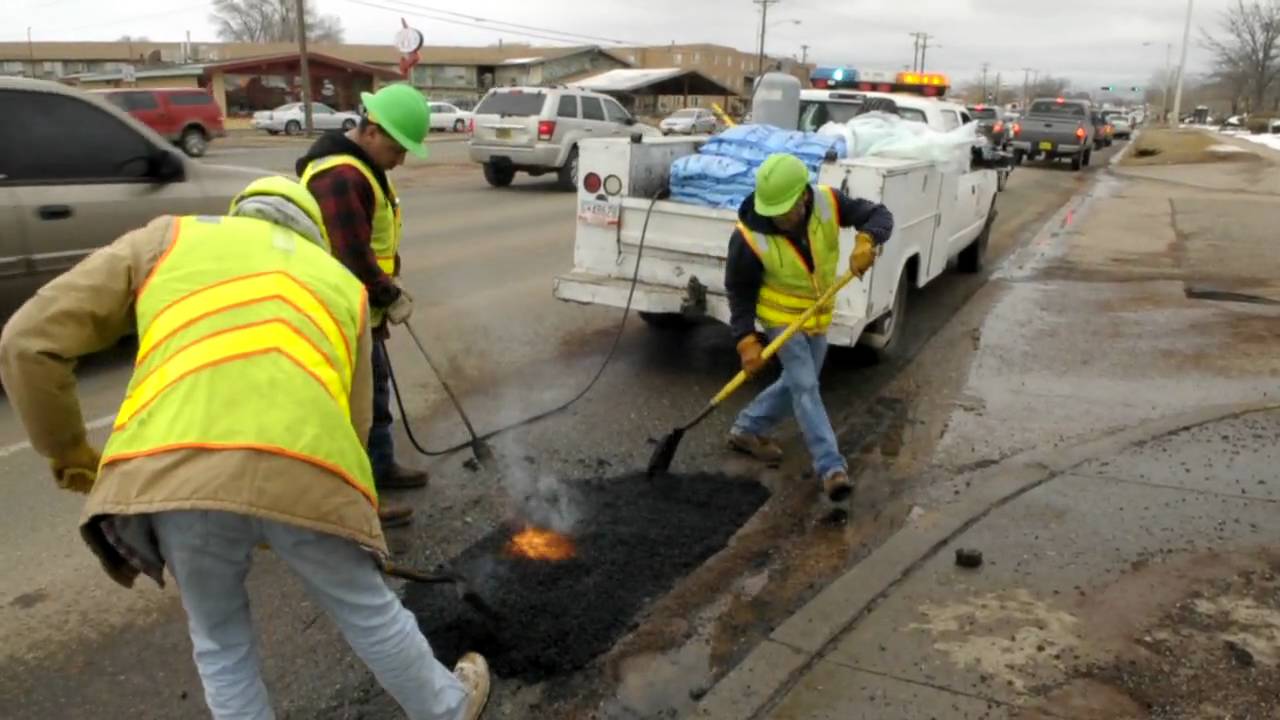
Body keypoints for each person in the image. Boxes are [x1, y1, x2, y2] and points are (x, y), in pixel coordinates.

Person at [0, 177, 490, 720]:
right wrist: (324, 513)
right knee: (370, 612)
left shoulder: (167, 238)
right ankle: (446, 708)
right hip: (308, 468)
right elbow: (353, 424)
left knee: (220, 642)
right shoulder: (341, 284)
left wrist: (71, 454)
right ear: (314, 235)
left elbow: (26, 342)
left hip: (176, 474)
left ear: (241, 213)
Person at [724, 153, 894, 503]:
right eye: (774, 212)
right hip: (780, 319)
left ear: (803, 195)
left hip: (816, 314)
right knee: (805, 386)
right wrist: (745, 339)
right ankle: (831, 468)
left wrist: (867, 239)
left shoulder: (829, 202)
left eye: (785, 211)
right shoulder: (749, 236)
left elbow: (879, 214)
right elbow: (739, 291)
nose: (779, 219)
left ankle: (747, 428)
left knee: (799, 381)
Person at [297, 83, 431, 529]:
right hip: (337, 312)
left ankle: (381, 466)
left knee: (375, 392)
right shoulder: (340, 177)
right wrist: (388, 294)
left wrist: (386, 290)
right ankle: (358, 500)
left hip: (361, 309)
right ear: (371, 131)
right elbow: (351, 256)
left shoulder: (364, 168)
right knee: (353, 409)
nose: (401, 160)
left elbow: (374, 240)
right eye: (397, 149)